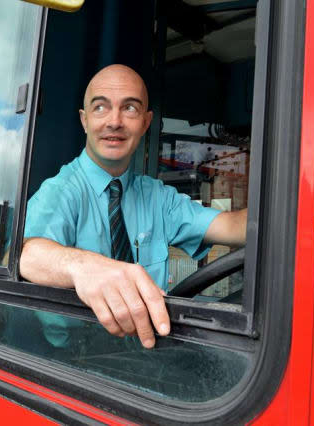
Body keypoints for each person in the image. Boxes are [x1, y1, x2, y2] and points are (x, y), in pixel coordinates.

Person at [20, 64, 247, 349]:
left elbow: (234, 226)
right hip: (74, 360)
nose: (114, 121)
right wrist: (86, 266)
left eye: (129, 108)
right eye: (100, 108)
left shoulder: (158, 198)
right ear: (84, 120)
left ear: (145, 122)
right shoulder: (62, 191)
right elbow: (23, 255)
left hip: (148, 356)